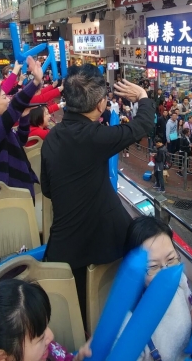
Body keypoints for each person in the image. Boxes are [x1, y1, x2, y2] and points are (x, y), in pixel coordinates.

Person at [40, 66, 154, 328]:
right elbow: (142, 125)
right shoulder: (95, 136)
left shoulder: (53, 136)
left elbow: (47, 189)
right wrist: (143, 97)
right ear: (101, 104)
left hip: (64, 248)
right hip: (105, 243)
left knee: (79, 320)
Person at [120, 217, 192, 360]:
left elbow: (189, 312)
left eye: (170, 259)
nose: (166, 273)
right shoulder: (127, 324)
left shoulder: (180, 280)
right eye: (153, 266)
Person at [0, 61, 44, 199]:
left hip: (20, 183)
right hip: (10, 187)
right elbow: (15, 105)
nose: (8, 100)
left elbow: (21, 140)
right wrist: (35, 82)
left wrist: (24, 116)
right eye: (4, 97)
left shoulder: (2, 128)